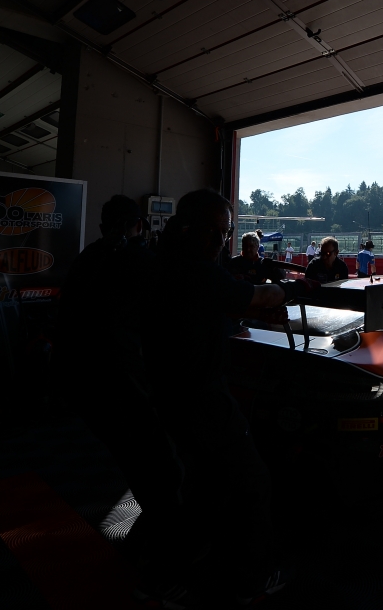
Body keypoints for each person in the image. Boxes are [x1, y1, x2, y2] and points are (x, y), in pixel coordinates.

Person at [143, 189, 311, 604]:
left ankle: (175, 572)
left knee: (204, 484)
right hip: (201, 396)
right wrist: (292, 290)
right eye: (215, 231)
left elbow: (212, 309)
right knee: (254, 482)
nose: (221, 240)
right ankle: (253, 577)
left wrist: (243, 310)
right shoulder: (198, 271)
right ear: (189, 228)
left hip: (169, 394)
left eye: (227, 232)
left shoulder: (163, 262)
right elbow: (256, 296)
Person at [53, 196, 186, 595]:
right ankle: (164, 565)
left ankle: (142, 535)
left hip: (82, 383)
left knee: (135, 463)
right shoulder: (139, 260)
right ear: (140, 224)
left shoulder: (87, 259)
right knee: (163, 470)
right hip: (121, 382)